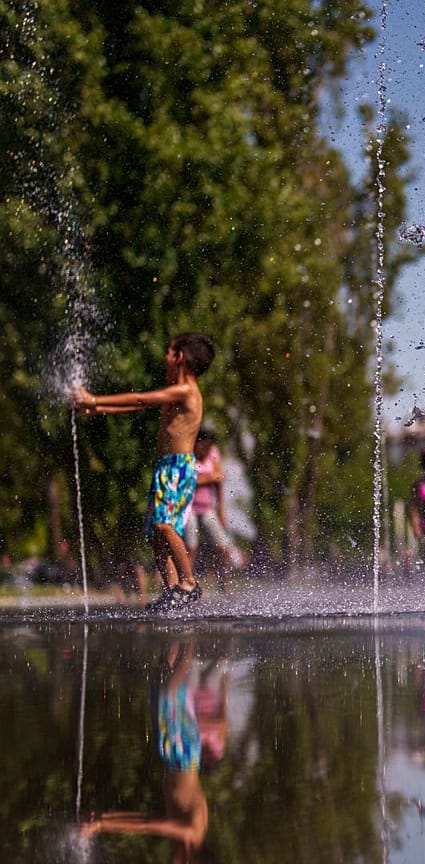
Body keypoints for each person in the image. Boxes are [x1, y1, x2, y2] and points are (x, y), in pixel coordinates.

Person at [73, 333, 215, 610]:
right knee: (155, 534)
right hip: (165, 468)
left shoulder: (187, 391)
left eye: (169, 352)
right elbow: (135, 404)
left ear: (180, 357)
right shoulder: (175, 390)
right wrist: (96, 407)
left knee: (164, 525)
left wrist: (93, 399)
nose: (165, 358)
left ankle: (189, 582)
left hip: (178, 468)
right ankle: (174, 591)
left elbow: (140, 399)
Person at [79, 640, 209, 860]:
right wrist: (101, 825)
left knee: (160, 677)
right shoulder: (192, 833)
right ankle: (190, 634)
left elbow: (145, 819)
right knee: (169, 692)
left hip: (171, 756)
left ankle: (174, 627)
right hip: (183, 755)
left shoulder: (183, 838)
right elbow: (149, 825)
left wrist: (102, 817)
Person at [186, 429, 243, 576]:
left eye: (209, 447)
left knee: (222, 546)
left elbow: (220, 479)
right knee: (191, 547)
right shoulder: (188, 456)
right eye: (203, 446)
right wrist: (209, 477)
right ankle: (186, 580)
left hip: (207, 508)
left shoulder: (213, 453)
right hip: (188, 508)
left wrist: (221, 510)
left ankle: (224, 581)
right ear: (197, 443)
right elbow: (186, 482)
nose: (206, 450)